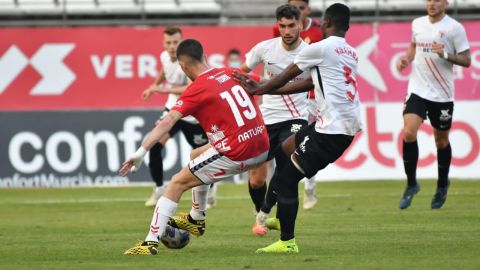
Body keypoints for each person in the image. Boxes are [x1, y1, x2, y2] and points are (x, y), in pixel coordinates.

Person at [121, 39, 270, 255]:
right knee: (196, 155)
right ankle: (196, 219)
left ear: (182, 66)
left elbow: (167, 121)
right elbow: (266, 84)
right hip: (262, 148)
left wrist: (141, 151)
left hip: (238, 152)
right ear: (205, 57)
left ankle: (149, 243)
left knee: (176, 183)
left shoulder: (196, 88)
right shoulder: (230, 72)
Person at [234, 3, 362, 253]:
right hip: (337, 125)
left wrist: (259, 89)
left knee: (287, 178)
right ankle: (271, 214)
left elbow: (286, 75)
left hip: (332, 131)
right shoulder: (350, 52)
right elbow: (305, 84)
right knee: (284, 150)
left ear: (325, 23)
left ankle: (287, 241)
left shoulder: (320, 48)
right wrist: (268, 88)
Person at [240, 4, 310, 236]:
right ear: (277, 26)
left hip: (296, 118)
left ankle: (273, 221)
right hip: (267, 120)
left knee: (286, 169)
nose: (287, 30)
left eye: (292, 25)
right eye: (282, 26)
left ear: (300, 24)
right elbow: (241, 73)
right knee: (257, 178)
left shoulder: (310, 52)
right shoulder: (264, 49)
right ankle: (260, 213)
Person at [396, 0, 471, 210]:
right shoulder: (417, 24)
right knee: (409, 133)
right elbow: (413, 46)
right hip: (417, 89)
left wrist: (445, 54)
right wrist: (405, 60)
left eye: (437, 0)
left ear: (446, 3)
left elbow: (467, 60)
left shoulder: (454, 28)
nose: (432, 4)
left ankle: (441, 186)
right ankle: (412, 184)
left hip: (442, 94)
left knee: (441, 141)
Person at [139, 26, 215, 209]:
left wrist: (161, 89)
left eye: (176, 42)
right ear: (163, 43)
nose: (172, 46)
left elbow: (190, 88)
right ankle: (159, 189)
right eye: (168, 42)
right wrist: (153, 86)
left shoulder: (188, 61)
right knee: (155, 145)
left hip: (192, 113)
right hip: (173, 109)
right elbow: (164, 71)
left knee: (203, 155)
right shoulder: (164, 57)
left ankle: (211, 189)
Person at [273, 0, 323, 209]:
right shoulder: (279, 30)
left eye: (301, 8)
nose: (298, 12)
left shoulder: (320, 30)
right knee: (286, 146)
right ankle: (275, 192)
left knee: (308, 143)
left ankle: (310, 188)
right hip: (293, 96)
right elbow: (275, 58)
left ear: (307, 10)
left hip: (315, 95)